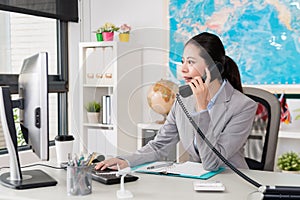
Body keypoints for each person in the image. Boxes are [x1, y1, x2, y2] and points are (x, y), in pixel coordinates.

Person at [95, 32, 257, 171]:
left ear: (214, 69)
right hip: (197, 183)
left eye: (191, 62)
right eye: (183, 62)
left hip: (232, 183)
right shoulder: (183, 100)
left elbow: (211, 163)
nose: (184, 69)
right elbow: (160, 146)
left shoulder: (243, 106)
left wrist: (202, 109)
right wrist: (126, 161)